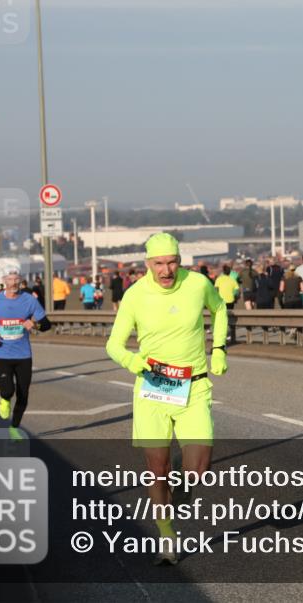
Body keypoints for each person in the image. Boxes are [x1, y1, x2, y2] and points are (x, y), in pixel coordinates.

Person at [105, 233, 228, 565]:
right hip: (153, 389)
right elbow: (113, 345)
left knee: (198, 469)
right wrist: (132, 361)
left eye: (172, 262)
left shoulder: (198, 284)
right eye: (159, 263)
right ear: (147, 263)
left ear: (179, 260)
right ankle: (167, 535)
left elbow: (219, 310)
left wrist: (218, 348)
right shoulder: (134, 295)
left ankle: (184, 480)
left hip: (194, 386)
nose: (166, 270)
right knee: (157, 471)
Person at [0, 269, 52, 441]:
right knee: (8, 390)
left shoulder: (29, 300)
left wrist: (34, 325)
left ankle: (14, 428)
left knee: (23, 395)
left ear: (20, 281)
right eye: (10, 279)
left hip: (23, 355)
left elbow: (47, 325)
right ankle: (4, 398)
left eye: (16, 279)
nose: (13, 283)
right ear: (4, 281)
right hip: (2, 354)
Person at [214, 264, 239, 343]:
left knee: (222, 319)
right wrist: (234, 296)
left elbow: (216, 290)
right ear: (229, 272)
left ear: (223, 271)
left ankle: (225, 335)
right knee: (230, 319)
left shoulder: (219, 279)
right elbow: (237, 291)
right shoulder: (232, 280)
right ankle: (230, 335)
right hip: (230, 301)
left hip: (221, 301)